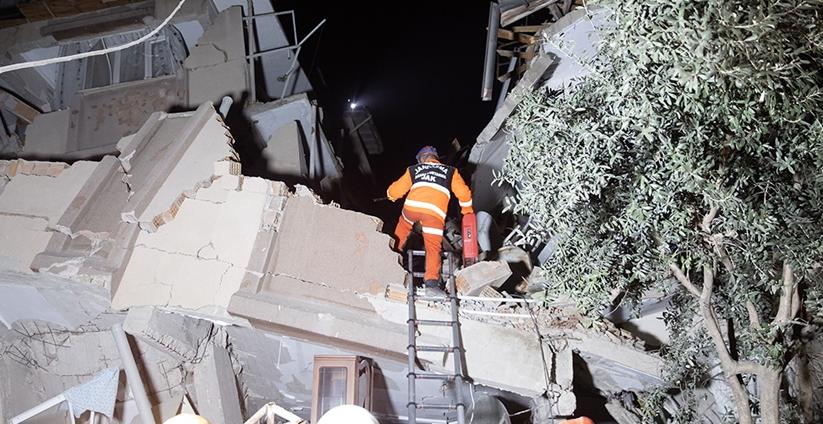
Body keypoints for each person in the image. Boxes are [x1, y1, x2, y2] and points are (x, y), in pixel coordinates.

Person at [387, 145, 474, 296]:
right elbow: (464, 194)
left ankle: (389, 260)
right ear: (436, 158)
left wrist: (390, 196)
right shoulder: (450, 171)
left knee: (400, 233)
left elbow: (394, 191)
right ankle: (431, 285)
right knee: (433, 248)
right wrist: (467, 212)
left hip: (412, 208)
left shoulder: (414, 170)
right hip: (434, 213)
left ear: (421, 159)